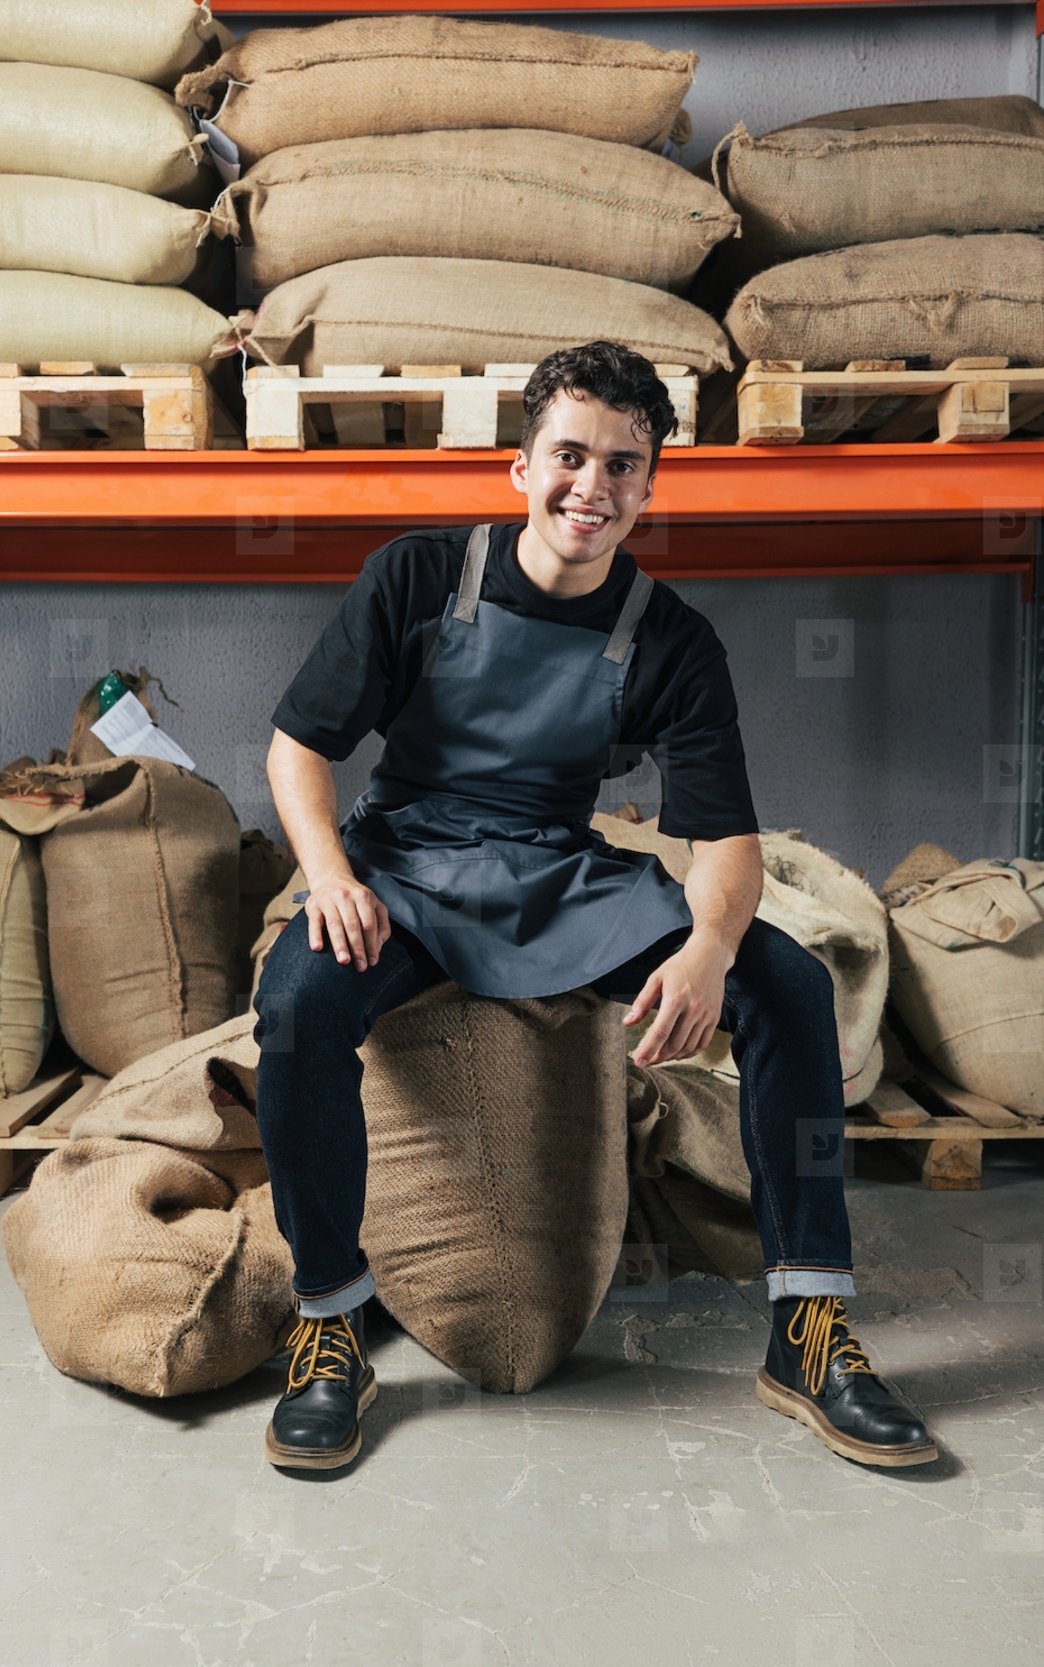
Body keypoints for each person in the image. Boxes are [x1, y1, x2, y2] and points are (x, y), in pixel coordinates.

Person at [253, 340, 937, 1475]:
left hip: (557, 875)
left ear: (648, 485)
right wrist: (330, 876)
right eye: (568, 455)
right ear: (519, 466)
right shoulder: (418, 577)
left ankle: (806, 1329)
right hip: (407, 872)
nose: (592, 486)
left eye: (622, 464)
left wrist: (712, 945)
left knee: (788, 983)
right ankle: (329, 1323)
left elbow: (721, 835)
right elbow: (297, 748)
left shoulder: (669, 639)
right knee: (297, 1003)